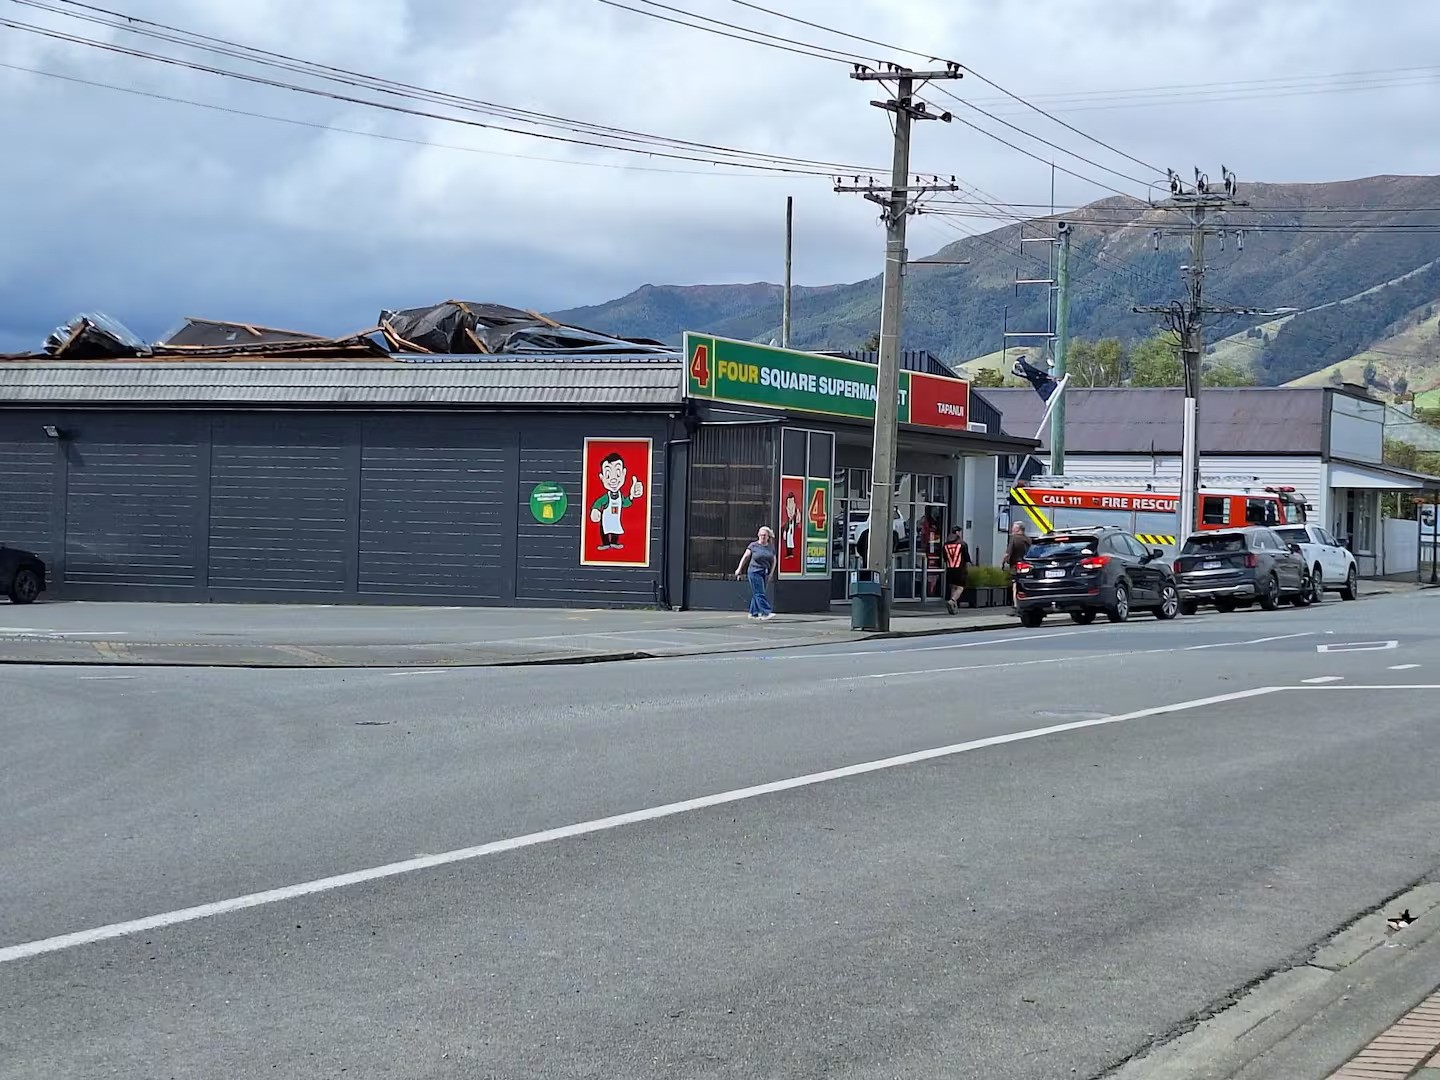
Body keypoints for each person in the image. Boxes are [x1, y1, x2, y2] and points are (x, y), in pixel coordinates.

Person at [734, 526, 777, 620]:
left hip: (764, 572)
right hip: (754, 571)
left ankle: (753, 612)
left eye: (764, 535)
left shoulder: (770, 547)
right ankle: (766, 612)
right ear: (758, 535)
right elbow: (745, 557)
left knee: (758, 593)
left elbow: (774, 561)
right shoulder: (753, 546)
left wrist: (771, 573)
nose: (763, 537)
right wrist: (739, 569)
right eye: (761, 535)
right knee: (759, 592)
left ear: (768, 536)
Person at [943, 527, 972, 614]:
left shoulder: (945, 545)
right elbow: (967, 558)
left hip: (950, 569)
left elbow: (945, 558)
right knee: (960, 587)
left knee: (953, 587)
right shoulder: (962, 544)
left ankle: (953, 608)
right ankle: (952, 600)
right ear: (957, 533)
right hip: (960, 569)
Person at [1002, 522, 1030, 607]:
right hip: (1027, 566)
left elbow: (1008, 553)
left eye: (1013, 528)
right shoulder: (1029, 540)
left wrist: (1004, 562)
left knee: (1015, 586)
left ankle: (1016, 605)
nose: (1012, 529)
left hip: (1016, 566)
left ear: (1018, 529)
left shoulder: (1014, 539)